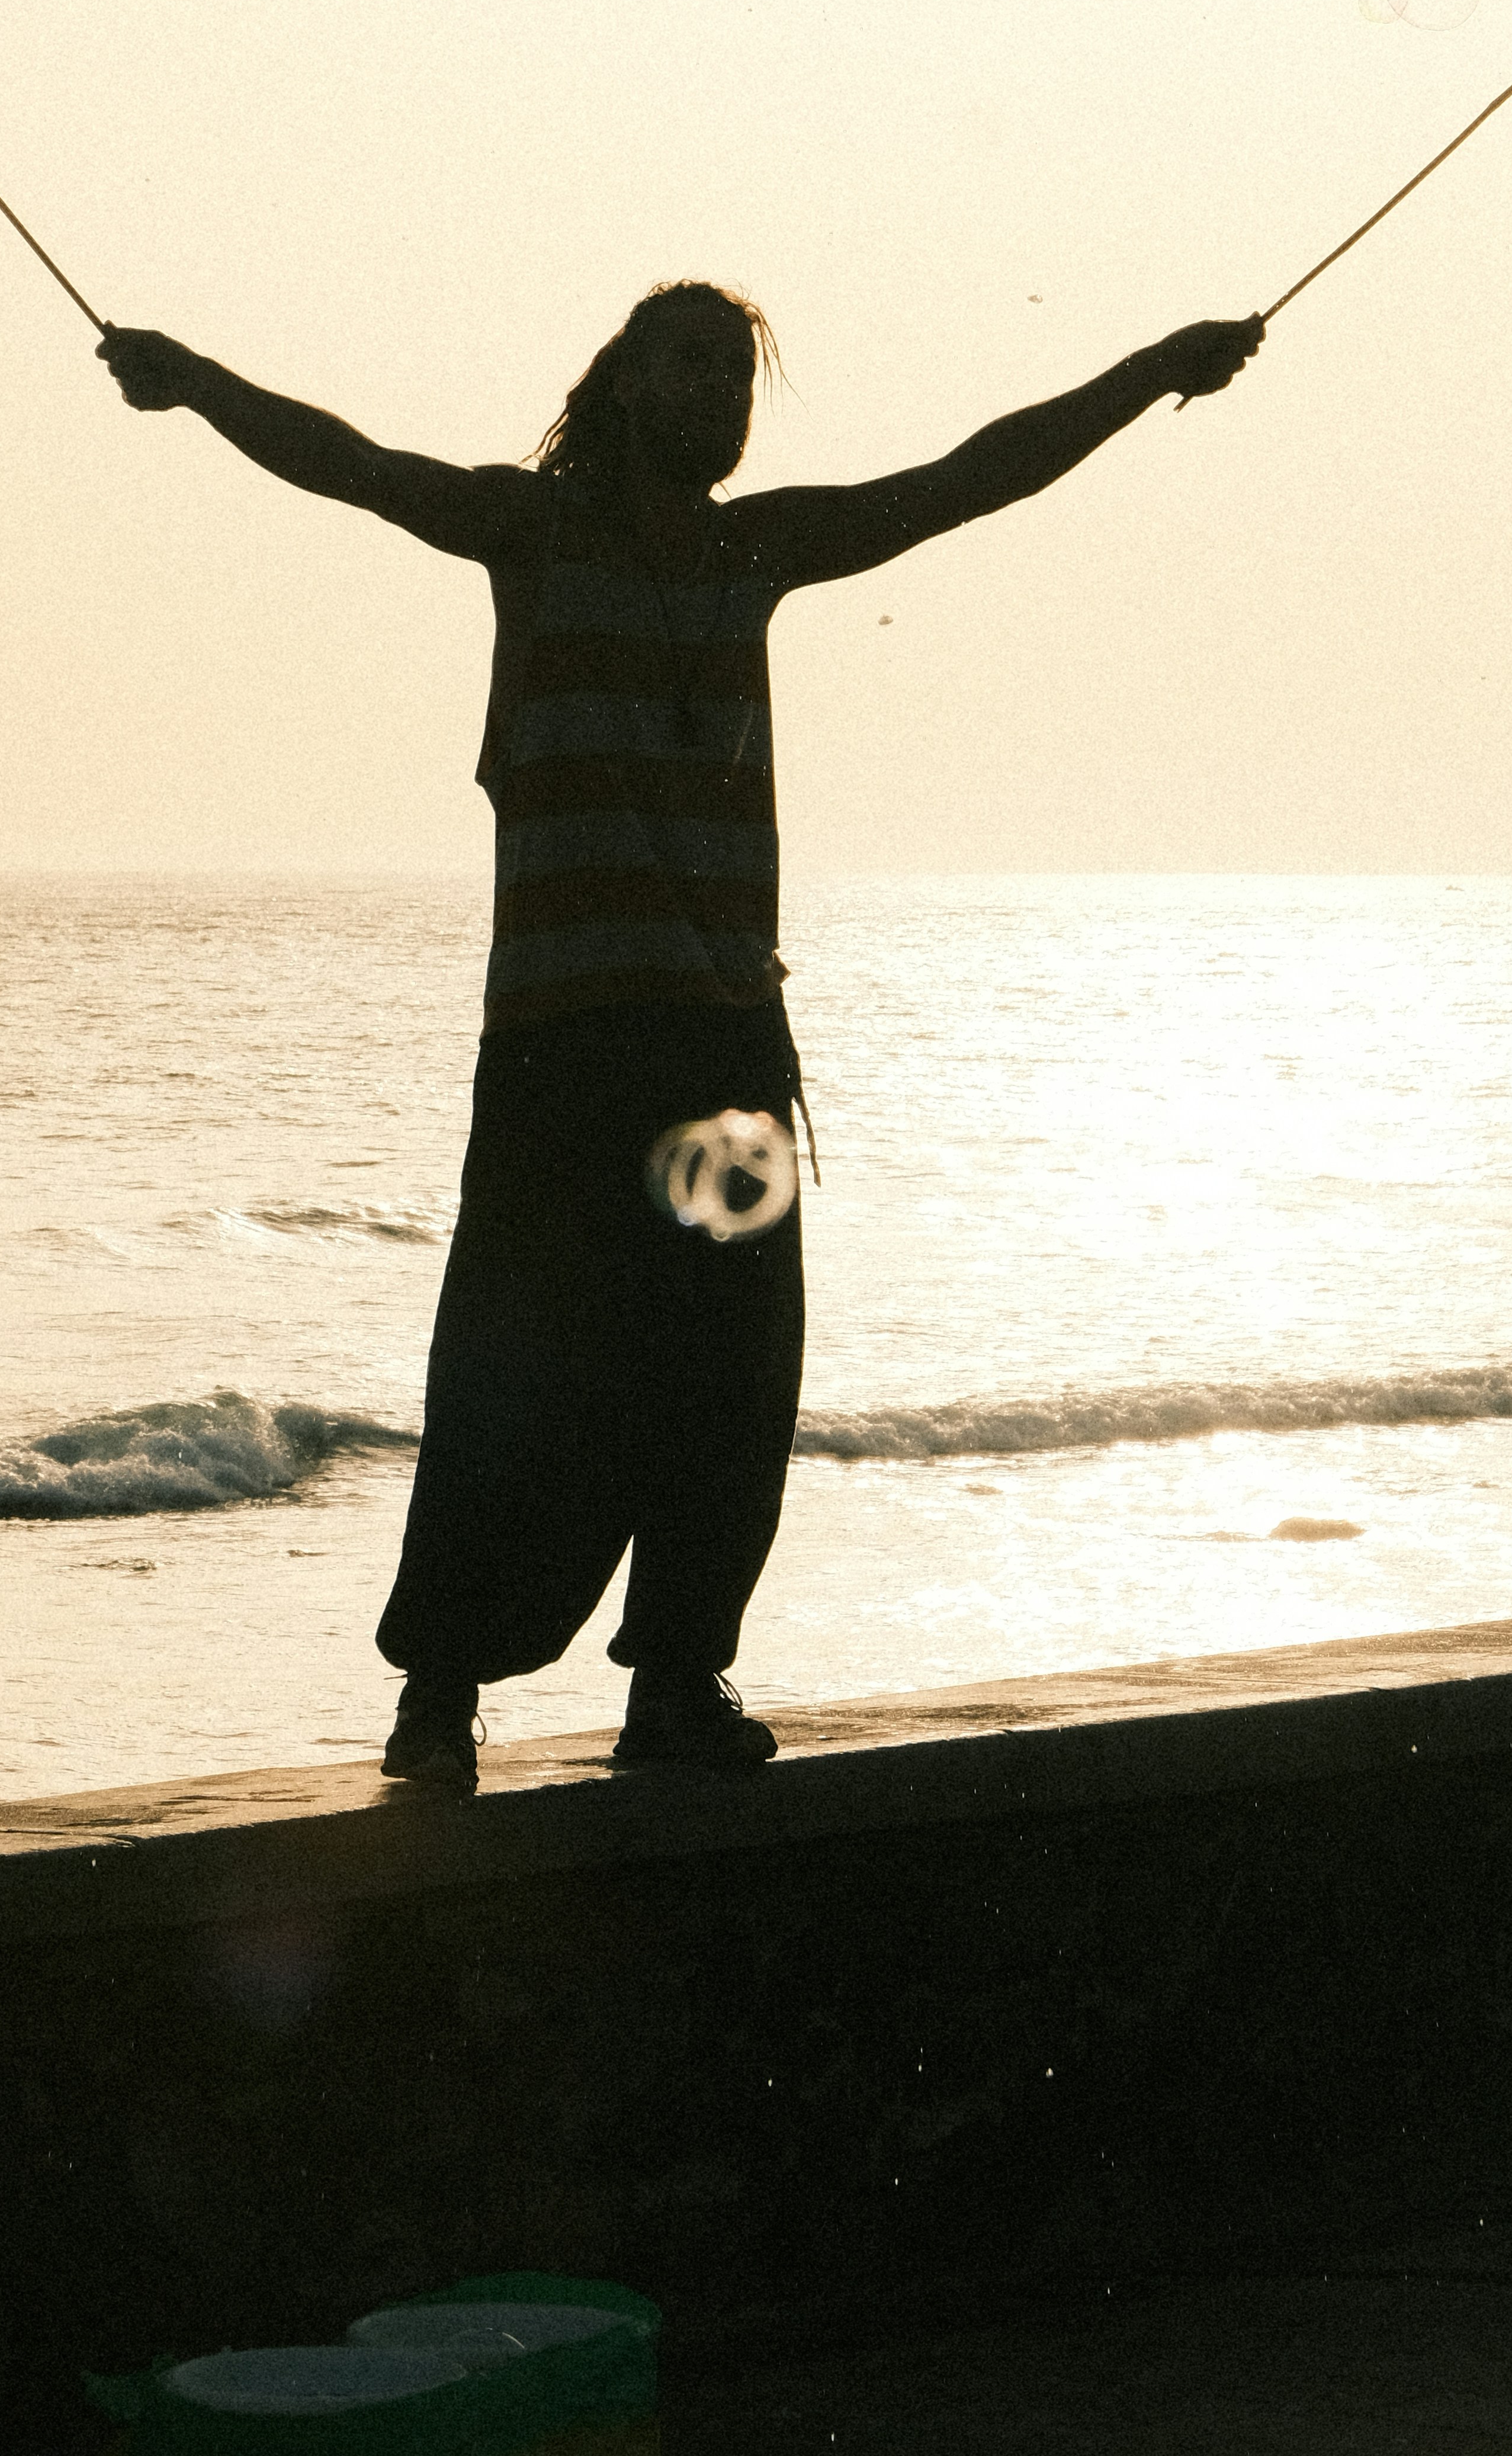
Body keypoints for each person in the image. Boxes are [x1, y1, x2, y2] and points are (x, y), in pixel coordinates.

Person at [99, 284, 1262, 1794]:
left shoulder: (754, 549)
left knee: (729, 1374)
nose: (719, 395)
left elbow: (977, 474)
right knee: (513, 1373)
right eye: (691, 366)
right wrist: (194, 380)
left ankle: (674, 1688)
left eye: (737, 375)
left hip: (725, 1044)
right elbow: (346, 461)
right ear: (624, 383)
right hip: (560, 1046)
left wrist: (1155, 368)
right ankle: (437, 1698)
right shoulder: (531, 532)